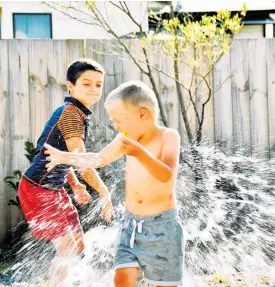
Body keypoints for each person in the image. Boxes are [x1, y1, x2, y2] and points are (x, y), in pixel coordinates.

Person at [44, 80, 184, 287]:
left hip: (162, 227)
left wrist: (139, 152)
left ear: (142, 115)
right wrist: (63, 157)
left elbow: (166, 176)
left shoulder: (168, 137)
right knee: (122, 278)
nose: (116, 127)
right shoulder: (124, 139)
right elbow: (99, 159)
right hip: (131, 224)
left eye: (119, 121)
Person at [18, 59, 113, 286]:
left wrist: (76, 185)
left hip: (53, 188)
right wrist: (103, 191)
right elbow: (81, 161)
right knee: (67, 247)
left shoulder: (73, 112)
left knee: (78, 245)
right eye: (87, 84)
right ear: (70, 87)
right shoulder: (71, 115)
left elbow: (57, 156)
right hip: (38, 189)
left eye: (99, 85)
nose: (93, 89)